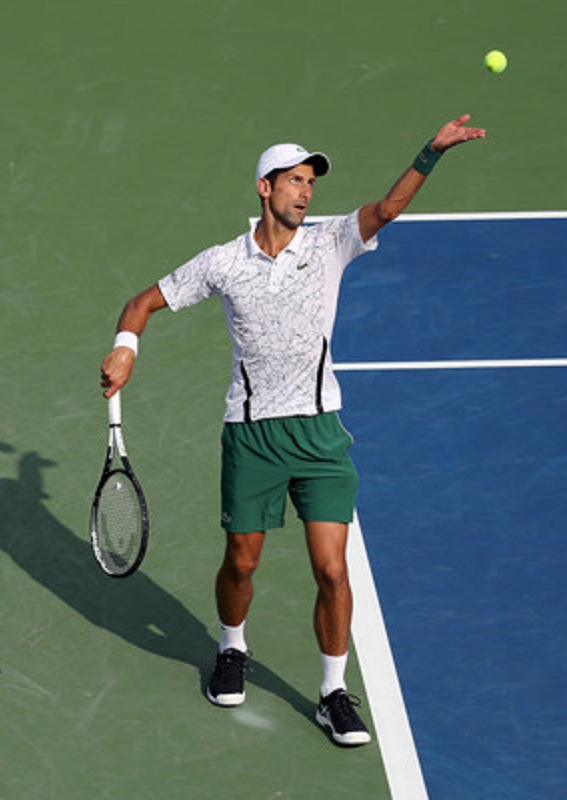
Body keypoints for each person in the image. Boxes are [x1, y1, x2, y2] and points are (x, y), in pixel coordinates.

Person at [99, 115, 486, 746]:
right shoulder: (223, 262)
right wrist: (125, 349)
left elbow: (386, 209)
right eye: (295, 181)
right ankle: (232, 647)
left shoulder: (331, 241)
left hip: (319, 435)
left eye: (311, 182)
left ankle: (333, 692)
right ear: (264, 187)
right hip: (252, 435)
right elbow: (141, 303)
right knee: (242, 562)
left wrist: (431, 152)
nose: (306, 192)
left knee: (332, 570)